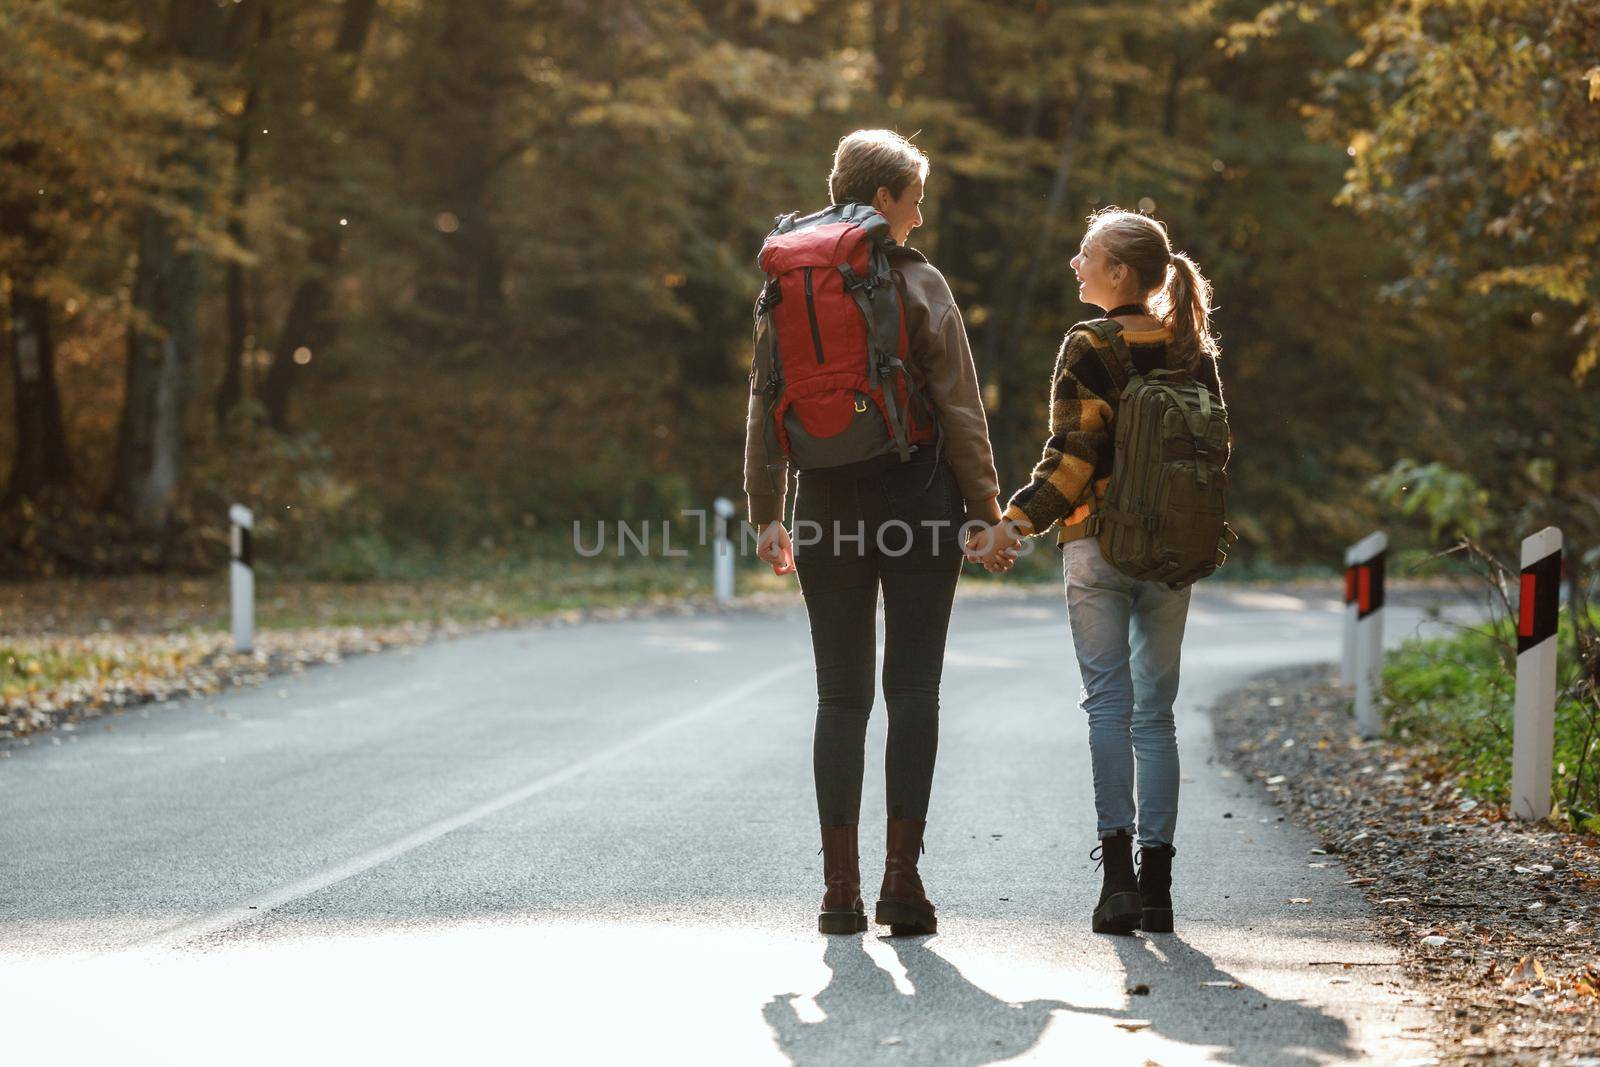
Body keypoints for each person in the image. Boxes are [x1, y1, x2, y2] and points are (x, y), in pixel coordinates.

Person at [744, 129, 1003, 936]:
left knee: (840, 695)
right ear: (885, 197)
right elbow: (960, 406)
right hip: (917, 498)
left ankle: (838, 892)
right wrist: (987, 512)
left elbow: (765, 398)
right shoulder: (918, 282)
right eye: (915, 199)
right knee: (913, 688)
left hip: (824, 504)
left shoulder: (788, 274)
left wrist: (766, 512)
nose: (919, 218)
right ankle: (901, 883)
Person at [968, 207, 1225, 934]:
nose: (1075, 264)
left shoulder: (1089, 344)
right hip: (1173, 550)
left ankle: (1116, 883)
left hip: (1097, 545)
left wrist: (1010, 524)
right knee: (1157, 714)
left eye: (1086, 254)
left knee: (1108, 707)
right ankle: (1160, 888)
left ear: (1120, 272)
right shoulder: (1189, 345)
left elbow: (1073, 459)